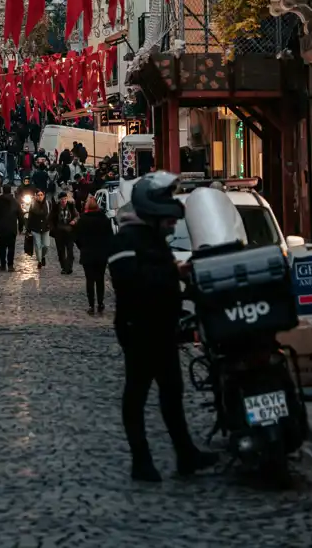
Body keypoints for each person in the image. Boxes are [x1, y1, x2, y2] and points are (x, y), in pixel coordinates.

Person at [108, 172, 214, 484]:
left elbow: (156, 273)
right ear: (152, 215)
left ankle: (186, 454)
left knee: (172, 392)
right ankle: (141, 460)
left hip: (164, 326)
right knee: (137, 394)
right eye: (167, 220)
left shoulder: (154, 240)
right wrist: (170, 276)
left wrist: (178, 273)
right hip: (139, 329)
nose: (171, 225)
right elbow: (130, 283)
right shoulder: (125, 240)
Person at [74, 193, 112, 315]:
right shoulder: (104, 219)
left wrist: (82, 247)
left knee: (89, 280)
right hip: (101, 254)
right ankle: (100, 303)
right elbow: (109, 237)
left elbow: (77, 237)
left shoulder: (83, 220)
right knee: (100, 279)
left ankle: (91, 305)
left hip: (87, 253)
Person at [52, 190, 79, 275]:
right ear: (59, 200)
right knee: (61, 251)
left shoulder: (71, 206)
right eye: (62, 199)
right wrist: (53, 228)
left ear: (67, 199)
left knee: (70, 250)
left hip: (69, 231)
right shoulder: (56, 207)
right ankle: (64, 267)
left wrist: (74, 221)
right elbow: (50, 218)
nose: (63, 200)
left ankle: (69, 267)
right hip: (59, 232)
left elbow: (77, 215)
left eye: (65, 198)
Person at [0, 183, 19, 271]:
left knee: (2, 247)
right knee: (11, 247)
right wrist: (21, 226)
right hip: (12, 227)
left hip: (1, 228)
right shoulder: (15, 201)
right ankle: (10, 265)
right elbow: (20, 215)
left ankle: (3, 265)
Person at [26, 189, 51, 268]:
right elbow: (29, 217)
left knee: (46, 245)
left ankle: (42, 256)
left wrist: (51, 225)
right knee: (38, 245)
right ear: (35, 196)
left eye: (41, 195)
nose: (40, 197)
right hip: (35, 228)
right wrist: (28, 229)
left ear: (43, 196)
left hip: (45, 228)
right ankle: (39, 261)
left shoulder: (48, 203)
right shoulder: (33, 205)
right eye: (38, 195)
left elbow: (51, 215)